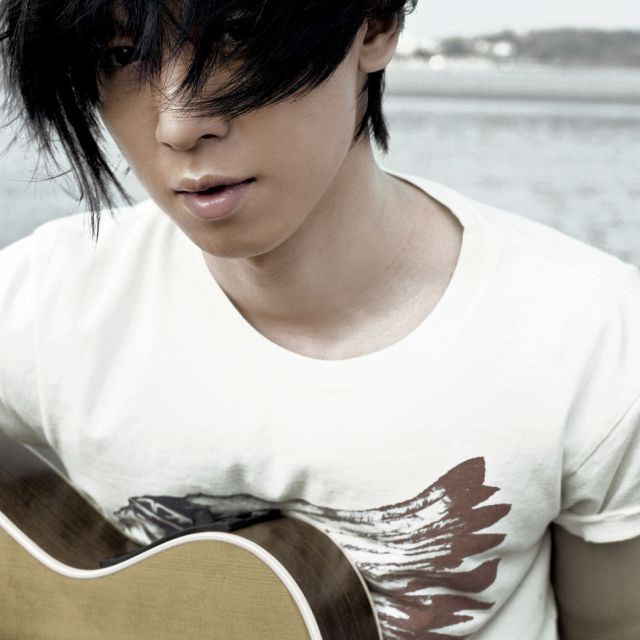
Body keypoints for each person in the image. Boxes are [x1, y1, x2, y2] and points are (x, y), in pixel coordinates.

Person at [0, 1, 639, 638]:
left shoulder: (592, 338)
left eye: (236, 35)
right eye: (120, 55)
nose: (178, 125)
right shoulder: (48, 298)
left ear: (376, 25)